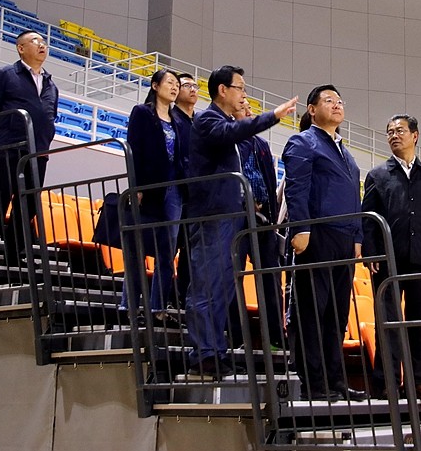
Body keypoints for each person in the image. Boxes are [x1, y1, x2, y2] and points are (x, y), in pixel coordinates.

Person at [184, 65, 296, 378]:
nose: (244, 94)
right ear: (223, 90)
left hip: (230, 216)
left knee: (222, 288)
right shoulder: (208, 120)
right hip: (212, 216)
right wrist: (272, 116)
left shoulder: (227, 126)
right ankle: (202, 353)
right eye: (240, 88)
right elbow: (232, 133)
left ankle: (215, 351)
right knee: (207, 286)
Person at [283, 84, 366, 402]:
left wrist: (357, 236)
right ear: (312, 109)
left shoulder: (346, 152)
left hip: (345, 238)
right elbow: (297, 187)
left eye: (340, 101)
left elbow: (355, 197)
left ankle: (335, 379)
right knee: (312, 310)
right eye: (329, 100)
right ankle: (314, 381)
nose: (337, 104)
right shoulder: (303, 142)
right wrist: (301, 228)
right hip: (317, 234)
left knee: (337, 313)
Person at [362, 115, 421, 403]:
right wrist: (371, 251)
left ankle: (415, 384)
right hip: (387, 261)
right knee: (387, 324)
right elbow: (369, 218)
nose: (394, 135)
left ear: (415, 135)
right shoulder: (377, 175)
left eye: (400, 130)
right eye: (389, 132)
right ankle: (385, 384)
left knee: (418, 324)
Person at [0, 29, 59, 267]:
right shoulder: (5, 74)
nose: (42, 45)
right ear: (21, 48)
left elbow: (49, 116)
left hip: (38, 153)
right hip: (7, 148)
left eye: (44, 42)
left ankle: (15, 254)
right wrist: (0, 141)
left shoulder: (51, 85)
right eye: (35, 41)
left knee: (28, 205)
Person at [124, 69, 184, 325]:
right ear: (155, 85)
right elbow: (134, 149)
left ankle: (158, 307)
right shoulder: (142, 113)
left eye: (177, 84)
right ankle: (129, 306)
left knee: (167, 251)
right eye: (170, 82)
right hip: (148, 188)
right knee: (138, 249)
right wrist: (136, 186)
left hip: (173, 191)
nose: (175, 87)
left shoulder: (177, 119)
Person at [228, 99, 284, 350]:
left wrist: (270, 214)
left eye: (251, 110)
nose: (250, 113)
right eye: (244, 109)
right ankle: (235, 337)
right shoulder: (229, 141)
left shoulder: (261, 144)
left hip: (263, 220)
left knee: (270, 277)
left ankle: (275, 337)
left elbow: (270, 181)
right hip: (236, 217)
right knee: (234, 276)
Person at [171, 72, 198, 306]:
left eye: (195, 86)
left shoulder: (200, 122)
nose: (193, 89)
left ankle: (182, 299)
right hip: (176, 191)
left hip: (196, 196)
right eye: (187, 85)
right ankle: (161, 300)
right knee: (168, 248)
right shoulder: (170, 118)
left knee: (191, 251)